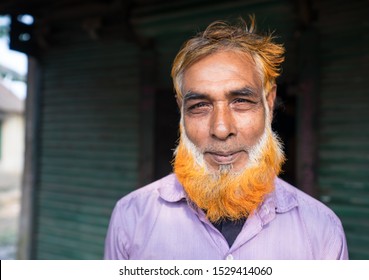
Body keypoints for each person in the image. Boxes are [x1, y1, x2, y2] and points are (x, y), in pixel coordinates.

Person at [104, 17, 348, 260]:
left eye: (241, 101)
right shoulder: (131, 218)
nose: (221, 129)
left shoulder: (322, 230)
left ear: (269, 102)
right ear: (181, 110)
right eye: (200, 105)